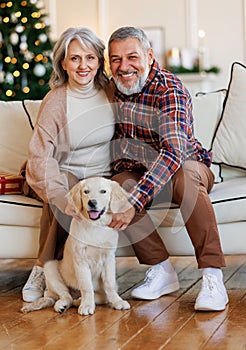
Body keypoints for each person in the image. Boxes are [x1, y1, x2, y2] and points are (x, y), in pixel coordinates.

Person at [107, 26, 229, 311]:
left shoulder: (169, 89)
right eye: (115, 59)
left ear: (149, 56)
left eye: (132, 57)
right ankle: (162, 271)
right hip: (137, 169)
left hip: (185, 165)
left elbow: (173, 152)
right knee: (119, 188)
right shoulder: (113, 88)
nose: (124, 67)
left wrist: (135, 201)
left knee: (184, 179)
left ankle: (212, 277)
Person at [22, 27, 115, 302]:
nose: (83, 65)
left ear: (99, 61)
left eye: (90, 57)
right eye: (75, 58)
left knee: (82, 190)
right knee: (66, 189)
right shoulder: (55, 100)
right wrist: (62, 198)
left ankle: (59, 272)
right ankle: (43, 269)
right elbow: (40, 156)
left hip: (102, 177)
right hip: (65, 172)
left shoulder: (111, 92)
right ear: (63, 62)